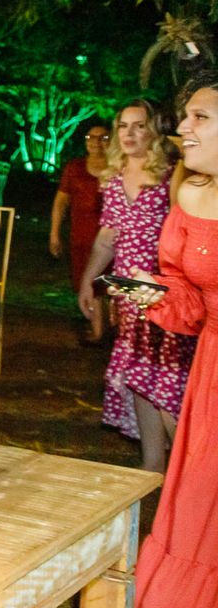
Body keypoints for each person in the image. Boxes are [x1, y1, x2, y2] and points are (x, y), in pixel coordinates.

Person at [114, 76, 218, 608]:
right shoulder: (187, 193)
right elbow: (189, 304)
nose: (186, 127)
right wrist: (155, 296)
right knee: (195, 519)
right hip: (211, 374)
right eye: (185, 116)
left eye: (202, 117)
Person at [77, 101, 188, 473]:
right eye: (123, 125)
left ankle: (189, 473)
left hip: (163, 299)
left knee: (166, 387)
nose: (128, 133)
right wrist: (88, 282)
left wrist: (168, 288)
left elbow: (183, 236)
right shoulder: (113, 176)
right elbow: (108, 237)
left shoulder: (172, 176)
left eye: (138, 126)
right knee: (139, 379)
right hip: (127, 299)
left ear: (155, 132)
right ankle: (152, 467)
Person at [54, 121, 113, 342]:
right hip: (81, 235)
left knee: (108, 283)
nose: (96, 143)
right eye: (91, 138)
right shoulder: (75, 168)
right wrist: (54, 232)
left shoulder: (119, 168)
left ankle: (109, 328)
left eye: (102, 138)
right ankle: (97, 330)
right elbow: (61, 201)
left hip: (109, 236)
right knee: (89, 282)